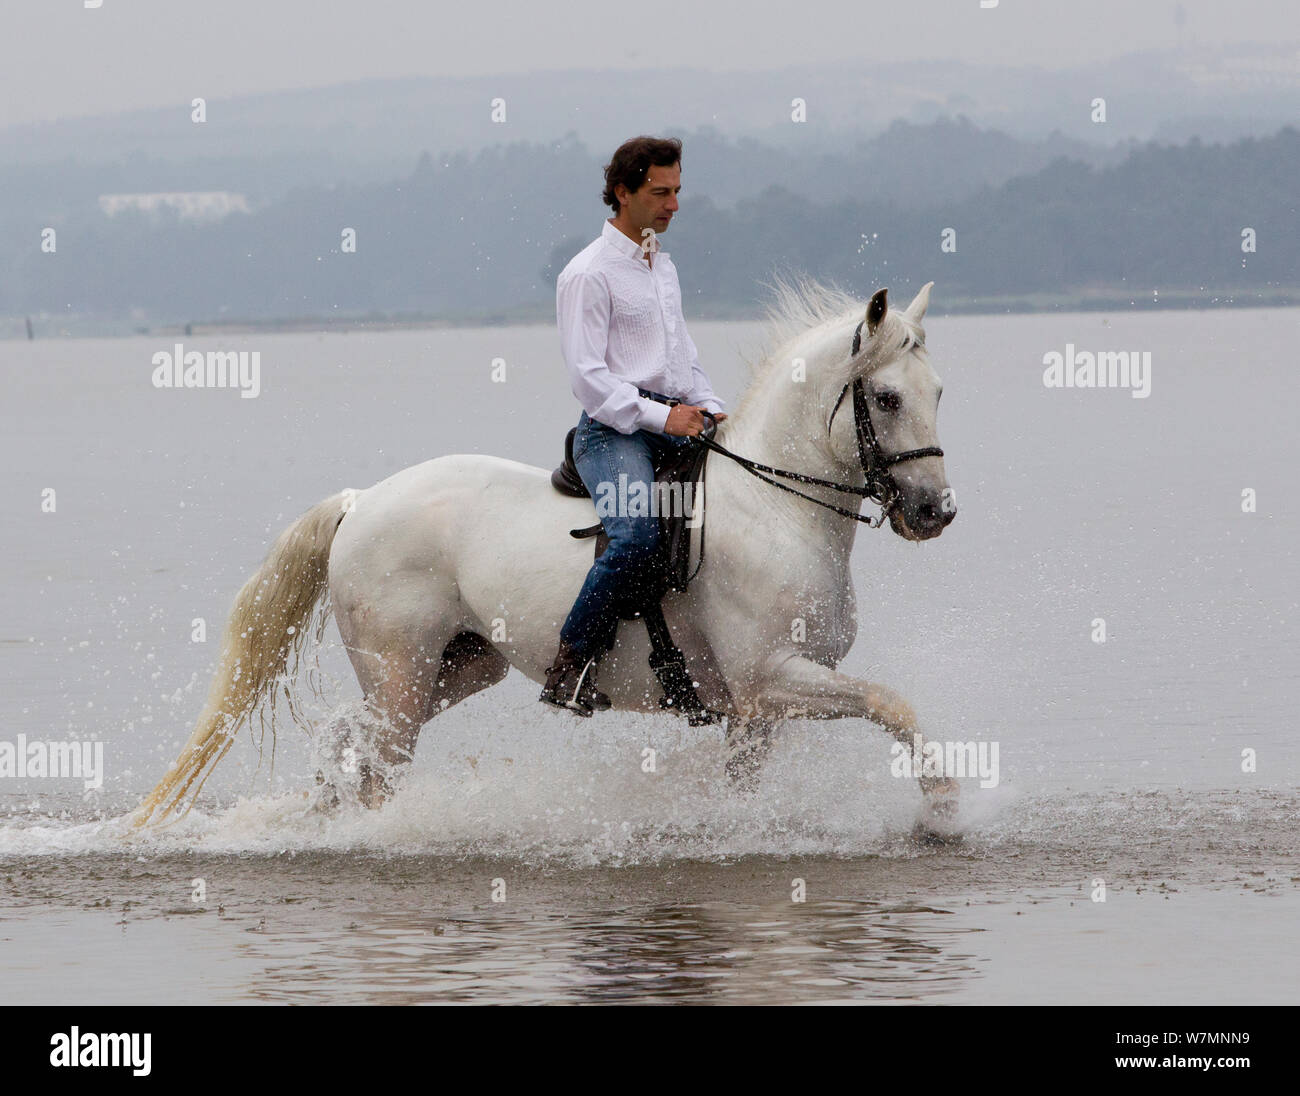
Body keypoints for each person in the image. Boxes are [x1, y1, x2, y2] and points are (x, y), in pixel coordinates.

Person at [540, 136, 728, 716]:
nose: (672, 205)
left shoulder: (660, 266)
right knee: (637, 537)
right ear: (622, 192)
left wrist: (710, 404)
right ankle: (570, 665)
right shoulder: (587, 275)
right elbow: (589, 380)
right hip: (614, 429)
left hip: (674, 418)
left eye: (677, 192)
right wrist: (664, 417)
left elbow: (682, 357)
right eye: (659, 193)